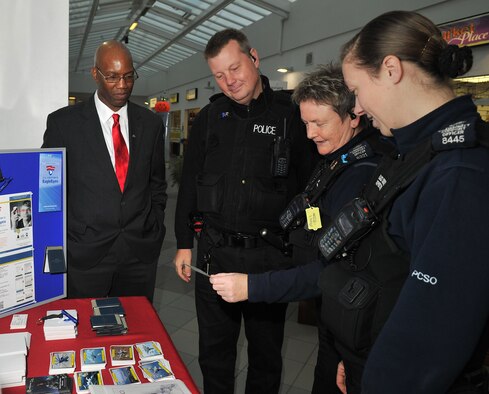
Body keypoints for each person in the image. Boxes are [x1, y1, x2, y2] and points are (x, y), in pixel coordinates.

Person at [331, 10, 489, 393]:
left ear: (390, 70)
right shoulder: (416, 151)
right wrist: (360, 355)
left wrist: (379, 377)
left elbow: (432, 327)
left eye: (357, 90)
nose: (357, 108)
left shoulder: (459, 173)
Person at [209, 64, 389, 393]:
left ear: (353, 115)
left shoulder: (362, 176)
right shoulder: (336, 157)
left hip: (356, 325)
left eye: (318, 123)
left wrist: (253, 287)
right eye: (305, 123)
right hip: (334, 319)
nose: (309, 134)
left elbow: (329, 271)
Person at [173, 28, 317, 393]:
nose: (229, 81)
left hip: (268, 261)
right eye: (219, 75)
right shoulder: (209, 118)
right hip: (214, 257)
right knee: (214, 356)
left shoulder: (291, 116)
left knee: (266, 358)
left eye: (234, 69)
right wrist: (183, 243)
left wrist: (303, 252)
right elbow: (189, 183)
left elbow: (310, 188)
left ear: (254, 58)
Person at [42, 40, 167, 302]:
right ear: (95, 74)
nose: (122, 85)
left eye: (128, 76)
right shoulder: (63, 124)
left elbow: (156, 184)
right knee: (87, 335)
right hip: (86, 255)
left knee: (137, 333)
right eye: (112, 77)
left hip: (138, 254)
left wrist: (154, 227)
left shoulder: (151, 124)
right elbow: (50, 191)